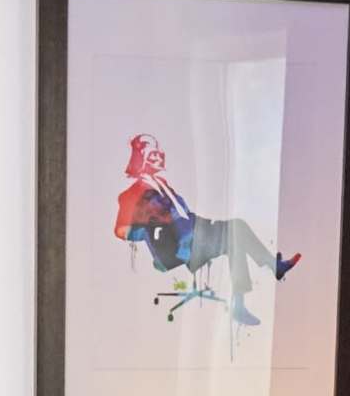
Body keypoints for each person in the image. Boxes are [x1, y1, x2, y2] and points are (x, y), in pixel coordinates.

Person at [113, 134, 299, 326]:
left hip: (195, 231)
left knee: (237, 228)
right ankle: (243, 302)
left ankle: (263, 278)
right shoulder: (130, 196)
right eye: (154, 153)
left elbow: (181, 212)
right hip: (176, 247)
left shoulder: (161, 183)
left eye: (159, 152)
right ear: (141, 159)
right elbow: (121, 230)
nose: (160, 156)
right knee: (234, 238)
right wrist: (149, 225)